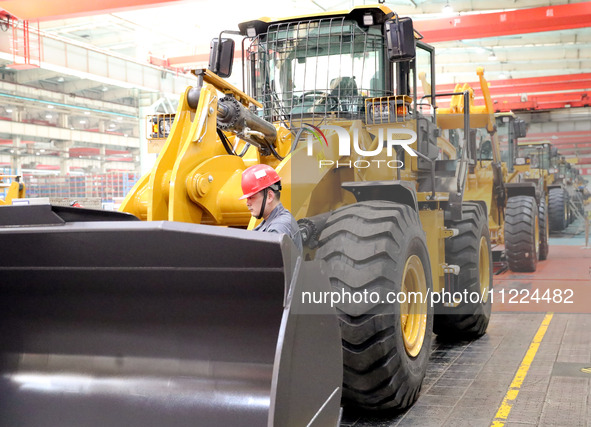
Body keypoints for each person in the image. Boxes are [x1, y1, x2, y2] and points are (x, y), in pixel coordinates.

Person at [240, 164, 303, 252]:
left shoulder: (278, 228)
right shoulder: (269, 222)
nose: (247, 203)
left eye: (251, 197)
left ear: (269, 196)